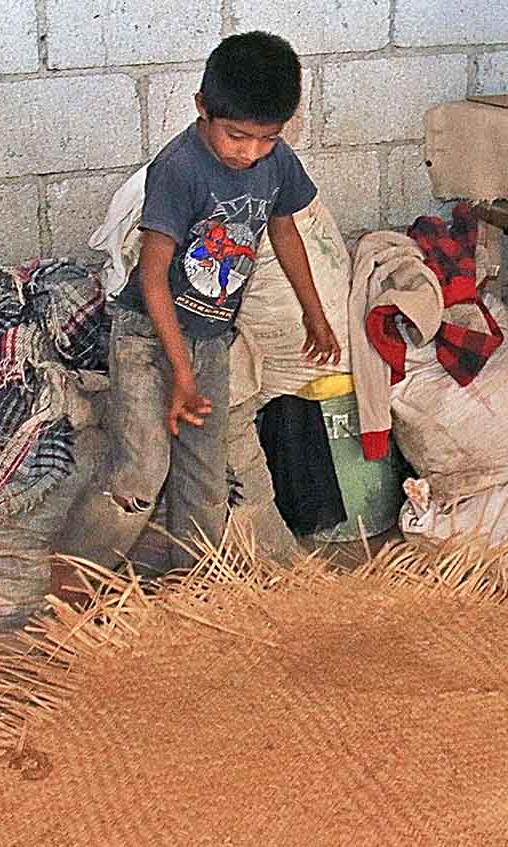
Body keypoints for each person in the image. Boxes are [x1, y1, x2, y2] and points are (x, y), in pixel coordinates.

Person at [90, 30, 339, 572]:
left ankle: (191, 586)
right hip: (148, 338)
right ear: (202, 107)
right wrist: (179, 370)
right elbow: (153, 279)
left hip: (210, 341)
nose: (250, 153)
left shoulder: (276, 163)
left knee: (204, 476)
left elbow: (285, 232)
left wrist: (314, 315)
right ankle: (70, 584)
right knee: (141, 471)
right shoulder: (179, 169)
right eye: (236, 136)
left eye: (266, 139)